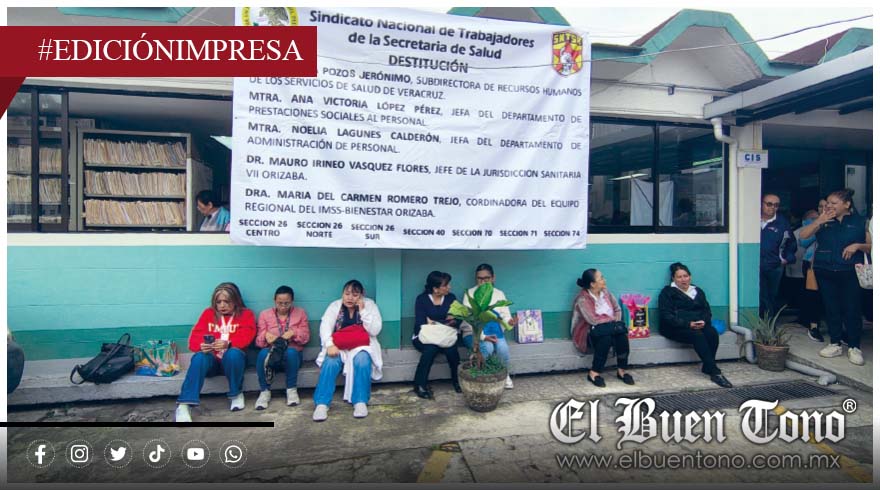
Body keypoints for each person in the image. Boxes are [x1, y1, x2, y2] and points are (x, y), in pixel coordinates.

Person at [798, 189, 870, 365]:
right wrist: (819, 221)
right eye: (828, 202)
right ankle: (835, 343)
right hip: (825, 270)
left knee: (852, 309)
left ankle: (854, 346)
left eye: (833, 203)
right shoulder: (822, 221)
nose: (829, 206)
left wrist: (858, 246)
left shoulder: (860, 222)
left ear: (847, 204)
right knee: (831, 308)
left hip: (850, 271)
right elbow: (803, 237)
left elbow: (871, 246)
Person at [175, 282, 256, 422]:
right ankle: (184, 405)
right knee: (199, 357)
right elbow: (194, 339)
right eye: (219, 302)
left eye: (227, 301)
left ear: (236, 301)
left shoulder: (246, 314)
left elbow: (248, 335)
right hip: (212, 363)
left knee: (234, 353)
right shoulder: (209, 314)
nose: (222, 305)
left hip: (232, 363)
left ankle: (236, 394)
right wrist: (201, 346)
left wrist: (229, 343)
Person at [313, 280, 383, 421]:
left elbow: (375, 330)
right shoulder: (335, 306)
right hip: (338, 345)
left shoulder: (369, 305)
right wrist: (329, 345)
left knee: (362, 360)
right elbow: (325, 327)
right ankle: (322, 403)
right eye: (347, 294)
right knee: (330, 362)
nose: (350, 298)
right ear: (342, 294)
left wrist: (363, 311)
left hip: (361, 346)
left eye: (355, 295)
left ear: (362, 295)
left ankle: (360, 401)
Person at [659, 262, 733, 388]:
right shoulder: (667, 293)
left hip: (698, 325)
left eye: (686, 276)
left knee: (712, 332)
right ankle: (715, 372)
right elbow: (667, 316)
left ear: (690, 277)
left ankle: (707, 366)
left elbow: (707, 311)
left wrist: (704, 321)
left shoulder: (697, 291)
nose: (683, 279)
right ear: (673, 278)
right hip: (675, 327)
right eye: (679, 277)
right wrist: (688, 324)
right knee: (697, 335)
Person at [571, 269, 633, 387]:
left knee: (622, 337)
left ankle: (622, 370)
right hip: (588, 331)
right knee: (605, 338)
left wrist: (615, 322)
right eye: (601, 278)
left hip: (609, 328)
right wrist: (612, 321)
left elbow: (617, 309)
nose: (604, 280)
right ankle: (594, 372)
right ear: (592, 284)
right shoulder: (582, 299)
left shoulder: (606, 293)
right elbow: (593, 320)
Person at [461, 264, 518, 389]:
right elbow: (468, 321)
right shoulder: (470, 294)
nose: (482, 282)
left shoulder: (499, 294)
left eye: (486, 278)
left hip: (495, 331)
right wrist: (483, 337)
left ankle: (503, 374)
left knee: (503, 349)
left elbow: (505, 316)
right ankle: (483, 376)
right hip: (475, 333)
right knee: (487, 347)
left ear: (493, 278)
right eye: (479, 278)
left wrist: (510, 322)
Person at [254, 285, 310, 409]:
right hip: (272, 354)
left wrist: (294, 333)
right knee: (262, 354)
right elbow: (258, 342)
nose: (283, 306)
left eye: (287, 303)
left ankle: (291, 390)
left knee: (291, 352)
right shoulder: (265, 314)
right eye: (280, 303)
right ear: (274, 301)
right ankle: (264, 391)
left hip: (292, 356)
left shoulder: (300, 313)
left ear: (292, 301)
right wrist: (265, 335)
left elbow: (306, 338)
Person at [412, 271, 461, 399]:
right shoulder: (422, 299)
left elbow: (457, 320)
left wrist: (433, 322)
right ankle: (420, 385)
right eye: (445, 285)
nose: (449, 287)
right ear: (435, 289)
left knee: (452, 351)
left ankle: (457, 381)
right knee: (430, 350)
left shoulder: (451, 298)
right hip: (425, 337)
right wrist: (445, 321)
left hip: (446, 336)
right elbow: (420, 323)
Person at [759, 193, 797, 317]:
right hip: (754, 265)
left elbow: (791, 244)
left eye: (776, 205)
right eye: (769, 204)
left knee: (771, 297)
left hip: (774, 266)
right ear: (761, 204)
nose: (772, 207)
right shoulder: (751, 218)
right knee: (761, 296)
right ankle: (764, 324)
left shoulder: (782, 223)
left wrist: (785, 259)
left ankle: (769, 324)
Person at [794, 210, 825, 343]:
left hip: (831, 262)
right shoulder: (813, 224)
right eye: (821, 206)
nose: (824, 209)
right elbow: (803, 241)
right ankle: (813, 325)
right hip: (811, 262)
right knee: (812, 295)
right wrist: (818, 226)